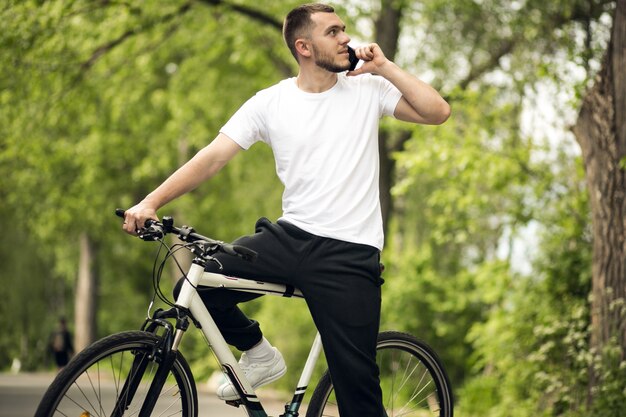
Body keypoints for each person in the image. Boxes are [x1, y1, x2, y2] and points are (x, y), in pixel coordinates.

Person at [122, 3, 450, 416]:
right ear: (304, 46)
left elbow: (437, 112)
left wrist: (385, 67)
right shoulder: (270, 102)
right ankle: (259, 354)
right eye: (333, 31)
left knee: (360, 397)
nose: (346, 38)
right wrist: (151, 201)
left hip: (348, 253)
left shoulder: (368, 89)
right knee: (197, 282)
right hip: (289, 238)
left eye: (344, 29)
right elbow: (213, 157)